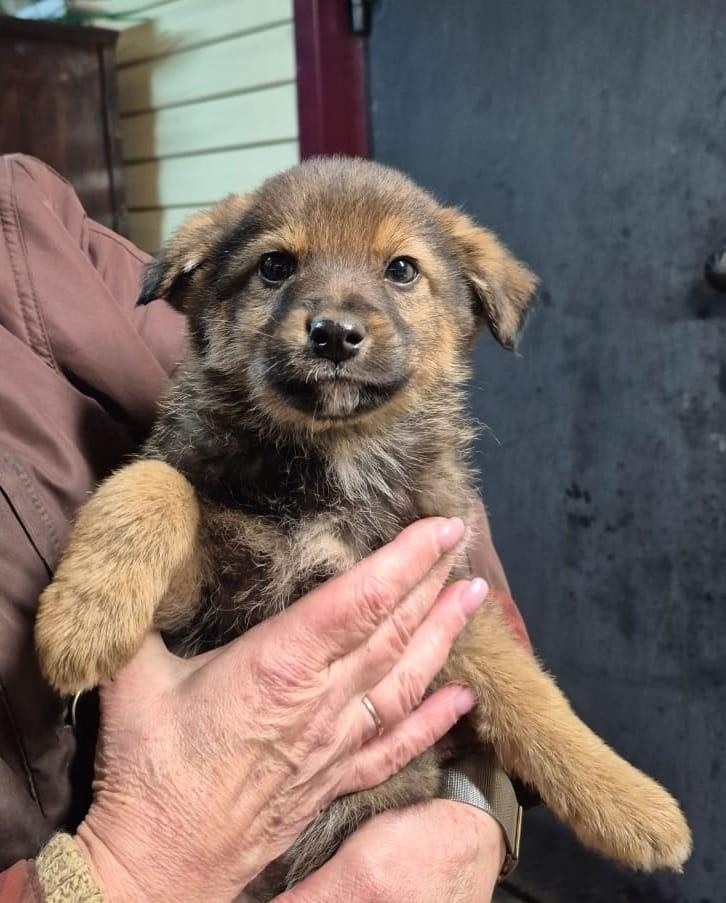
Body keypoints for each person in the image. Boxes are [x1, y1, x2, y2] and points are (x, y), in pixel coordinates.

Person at [0, 155, 531, 901]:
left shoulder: (33, 228)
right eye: (277, 267)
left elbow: (466, 605)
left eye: (400, 270)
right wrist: (119, 876)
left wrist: (478, 810)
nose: (337, 319)